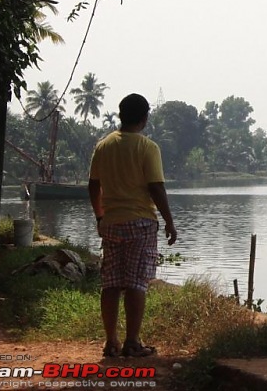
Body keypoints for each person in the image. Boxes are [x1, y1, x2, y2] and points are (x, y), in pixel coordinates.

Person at [88, 93, 177, 358]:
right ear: (144, 117)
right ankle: (133, 342)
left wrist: (100, 216)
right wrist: (170, 221)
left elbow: (93, 185)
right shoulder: (147, 147)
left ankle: (111, 343)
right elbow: (156, 187)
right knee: (137, 283)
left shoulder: (103, 145)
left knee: (112, 284)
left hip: (112, 223)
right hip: (140, 224)